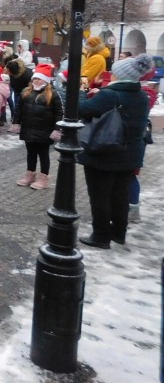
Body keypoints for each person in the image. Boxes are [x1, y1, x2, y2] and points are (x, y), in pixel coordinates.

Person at [77, 54, 153, 249]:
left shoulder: (110, 95)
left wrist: (82, 91)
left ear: (120, 74)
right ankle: (119, 232)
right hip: (130, 153)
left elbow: (83, 109)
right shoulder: (141, 95)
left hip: (105, 151)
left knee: (100, 195)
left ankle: (101, 235)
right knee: (120, 195)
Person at [11, 63, 63, 190]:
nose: (35, 80)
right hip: (29, 128)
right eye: (34, 78)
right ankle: (30, 174)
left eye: (38, 78)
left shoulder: (53, 94)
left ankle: (43, 178)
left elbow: (59, 113)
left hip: (45, 130)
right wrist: (16, 122)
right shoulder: (26, 91)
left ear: (45, 80)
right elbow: (19, 109)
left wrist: (57, 129)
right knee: (31, 153)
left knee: (43, 154)